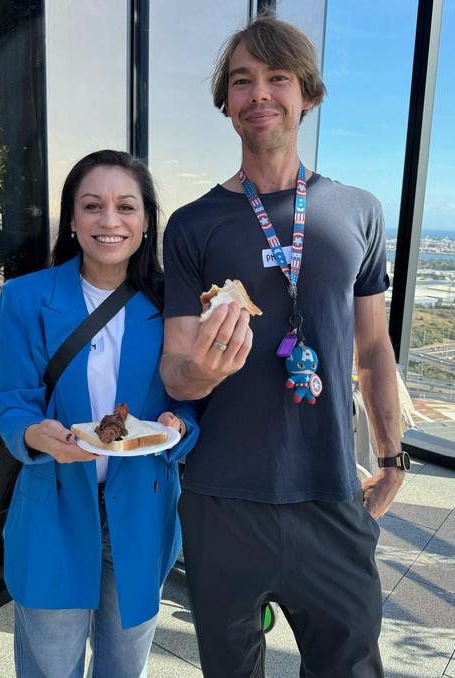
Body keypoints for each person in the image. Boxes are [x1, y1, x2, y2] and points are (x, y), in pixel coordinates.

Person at [160, 15, 406, 678]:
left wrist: (392, 457)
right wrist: (203, 371)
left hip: (331, 494)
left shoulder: (358, 210)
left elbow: (373, 348)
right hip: (221, 499)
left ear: (307, 95)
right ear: (226, 103)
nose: (259, 93)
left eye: (277, 77)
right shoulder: (191, 226)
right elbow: (175, 373)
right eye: (242, 81)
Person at [0, 149, 199, 678]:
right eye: (92, 206)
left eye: (126, 207)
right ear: (72, 219)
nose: (110, 221)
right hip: (54, 510)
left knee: (125, 668)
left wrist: (180, 425)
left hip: (143, 511)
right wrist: (35, 434)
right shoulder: (26, 297)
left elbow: (189, 396)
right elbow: (14, 402)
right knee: (50, 668)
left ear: (147, 221)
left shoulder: (173, 303)